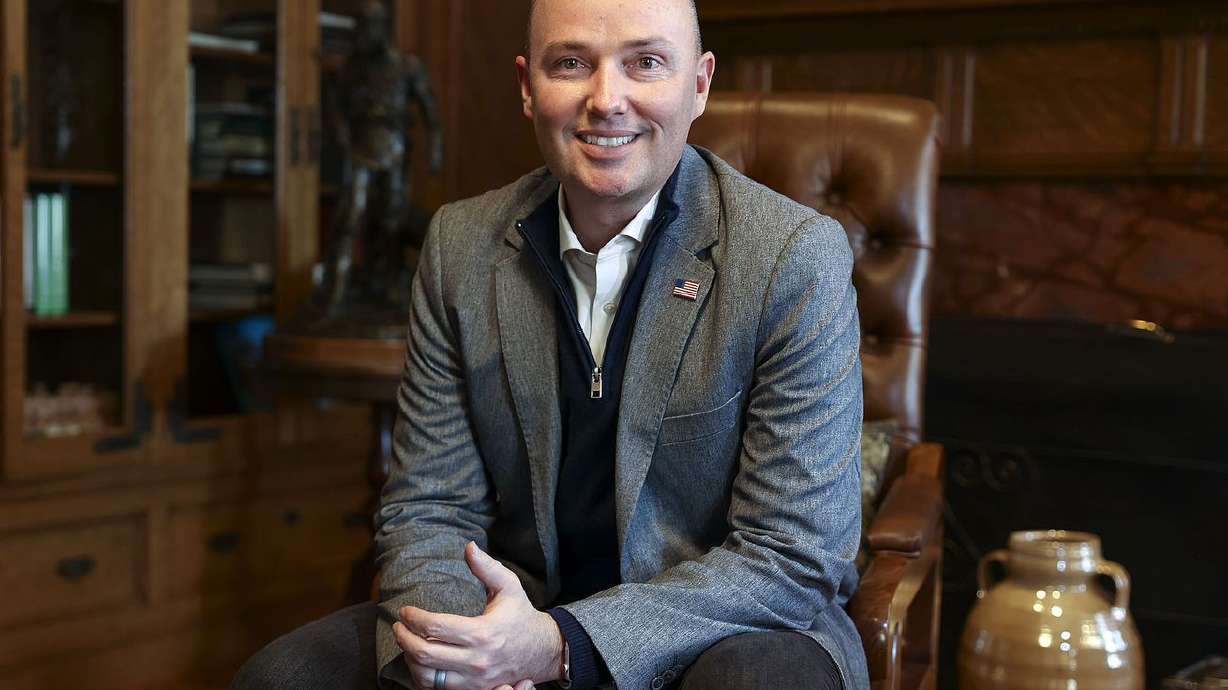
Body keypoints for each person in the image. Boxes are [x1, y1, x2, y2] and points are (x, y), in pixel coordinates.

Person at [232, 0, 867, 688]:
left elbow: (793, 553)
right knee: (282, 678)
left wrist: (564, 644)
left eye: (645, 63)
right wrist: (470, 654)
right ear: (528, 87)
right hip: (510, 606)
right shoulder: (458, 248)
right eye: (570, 64)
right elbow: (430, 508)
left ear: (699, 83)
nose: (607, 99)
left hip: (714, 631)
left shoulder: (791, 258)